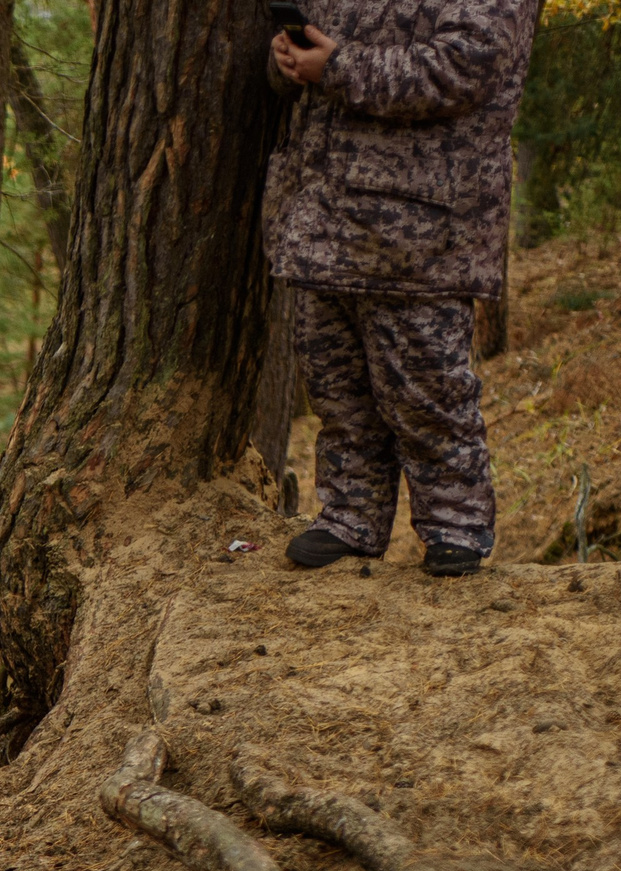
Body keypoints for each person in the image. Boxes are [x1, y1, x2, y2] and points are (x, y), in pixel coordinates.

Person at [263, 0, 542, 576]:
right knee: (337, 391)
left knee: (427, 391)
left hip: (422, 230)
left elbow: (463, 67)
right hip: (322, 218)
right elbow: (306, 52)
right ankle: (350, 517)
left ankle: (455, 526)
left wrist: (337, 67)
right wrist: (287, 61)